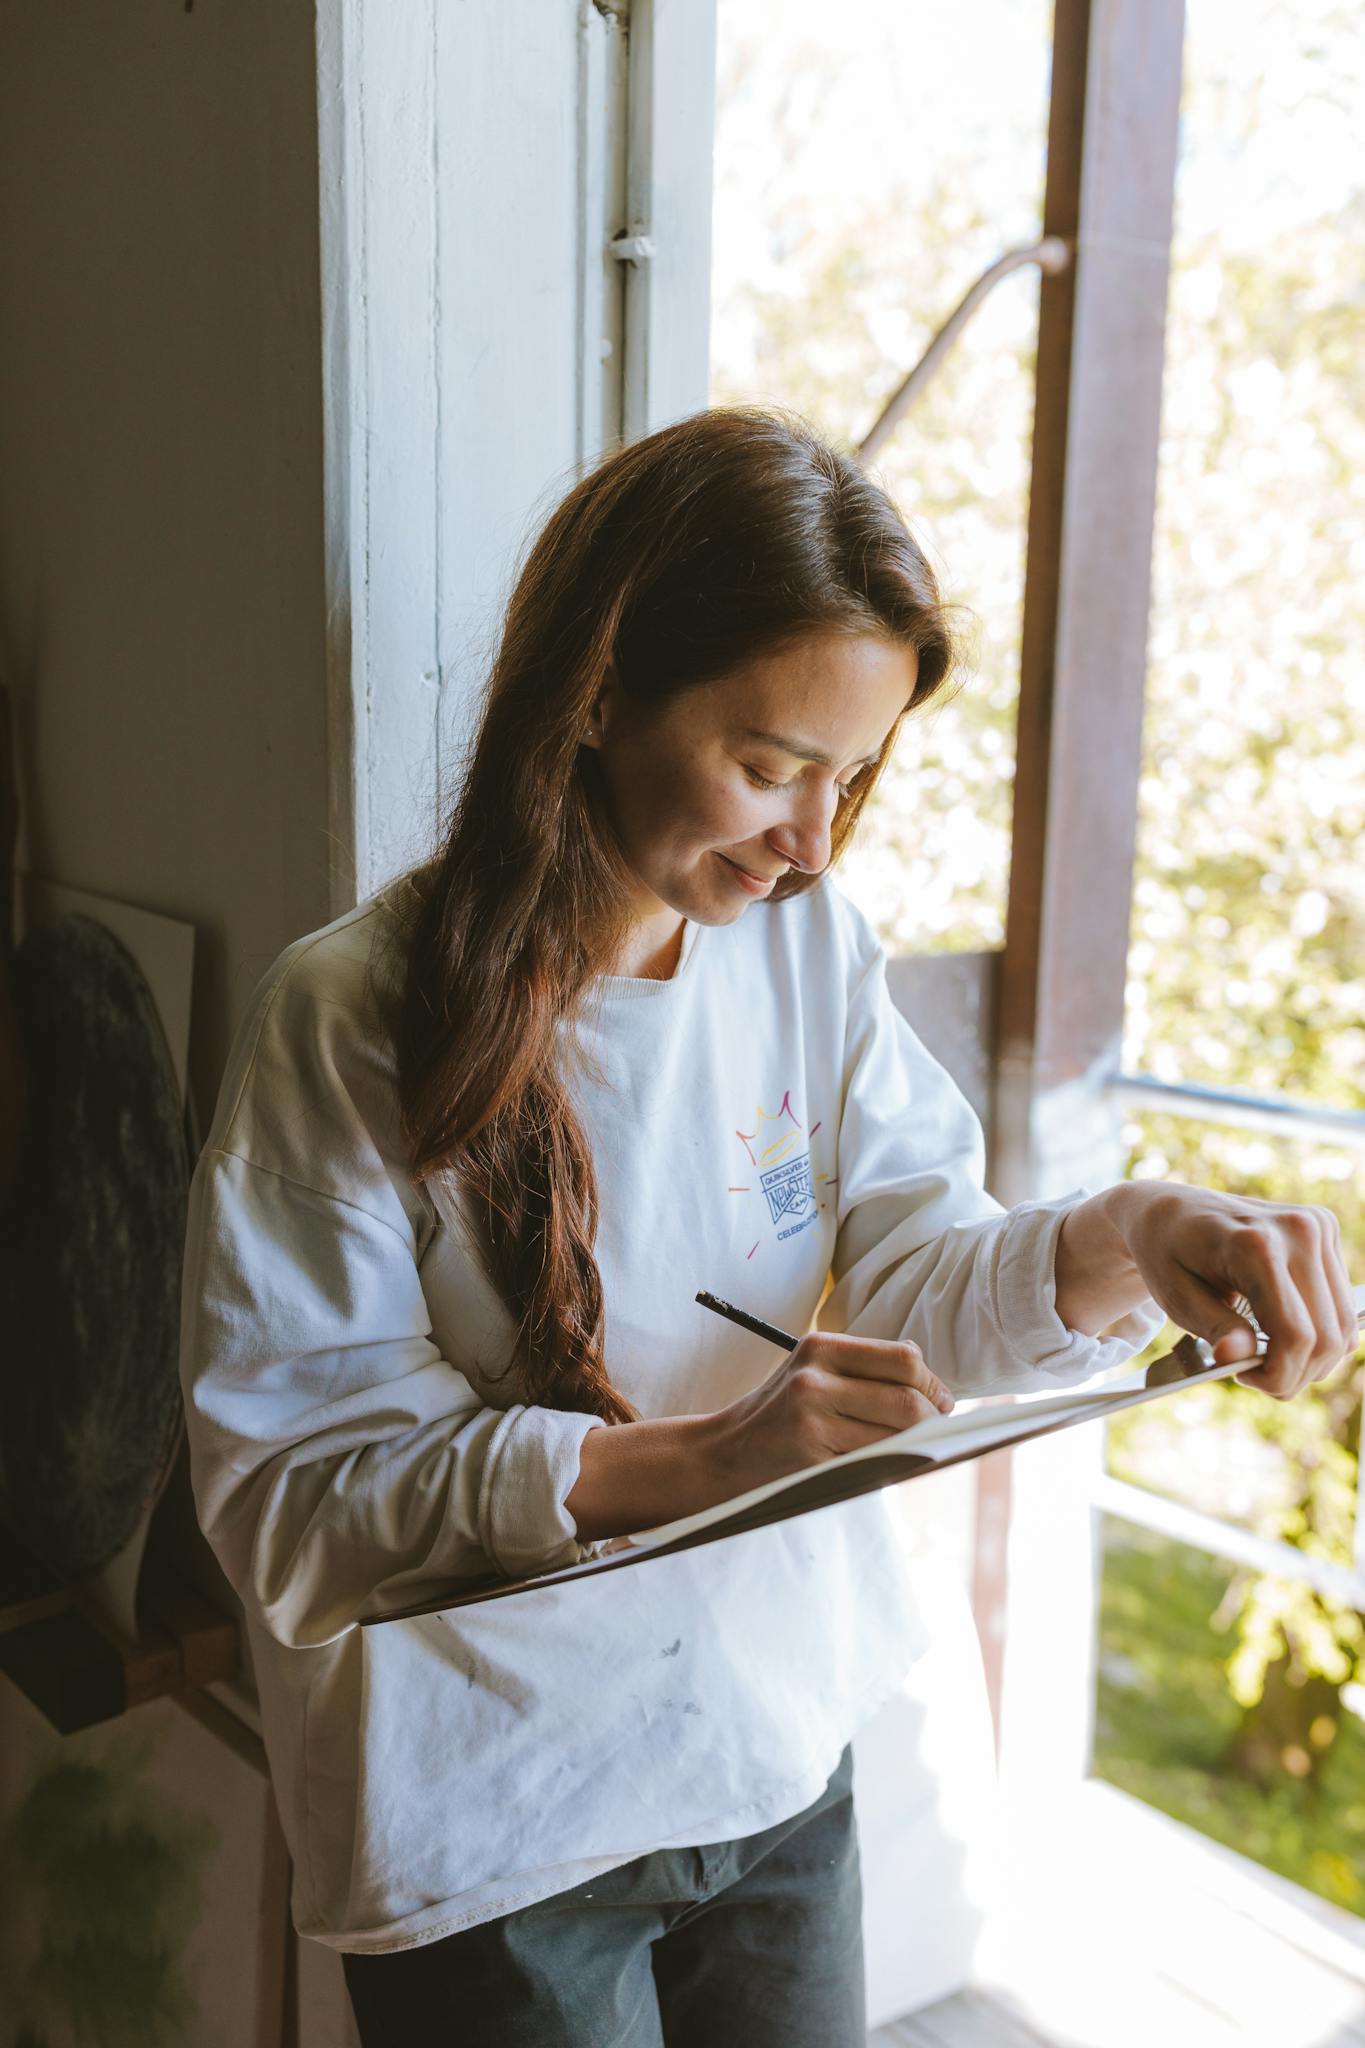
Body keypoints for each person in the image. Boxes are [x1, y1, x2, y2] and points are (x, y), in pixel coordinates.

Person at [178, 406, 1358, 2047]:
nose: (811, 845)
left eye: (850, 776)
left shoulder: (809, 956)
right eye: (768, 765)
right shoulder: (351, 1018)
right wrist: (695, 1460)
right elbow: (299, 1486)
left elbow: (912, 1269)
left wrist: (1130, 1235)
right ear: (596, 694)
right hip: (497, 1810)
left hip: (771, 1746)